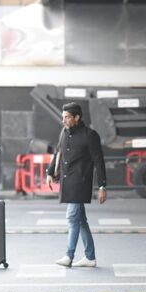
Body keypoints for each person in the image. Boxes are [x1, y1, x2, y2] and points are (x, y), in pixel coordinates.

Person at [46, 102, 107, 268]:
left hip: (80, 183)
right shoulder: (64, 132)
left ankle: (69, 256)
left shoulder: (90, 135)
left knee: (72, 217)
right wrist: (50, 172)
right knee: (81, 221)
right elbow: (58, 152)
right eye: (63, 117)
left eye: (67, 117)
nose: (64, 120)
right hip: (67, 181)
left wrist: (102, 186)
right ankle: (90, 257)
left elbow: (99, 162)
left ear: (77, 117)